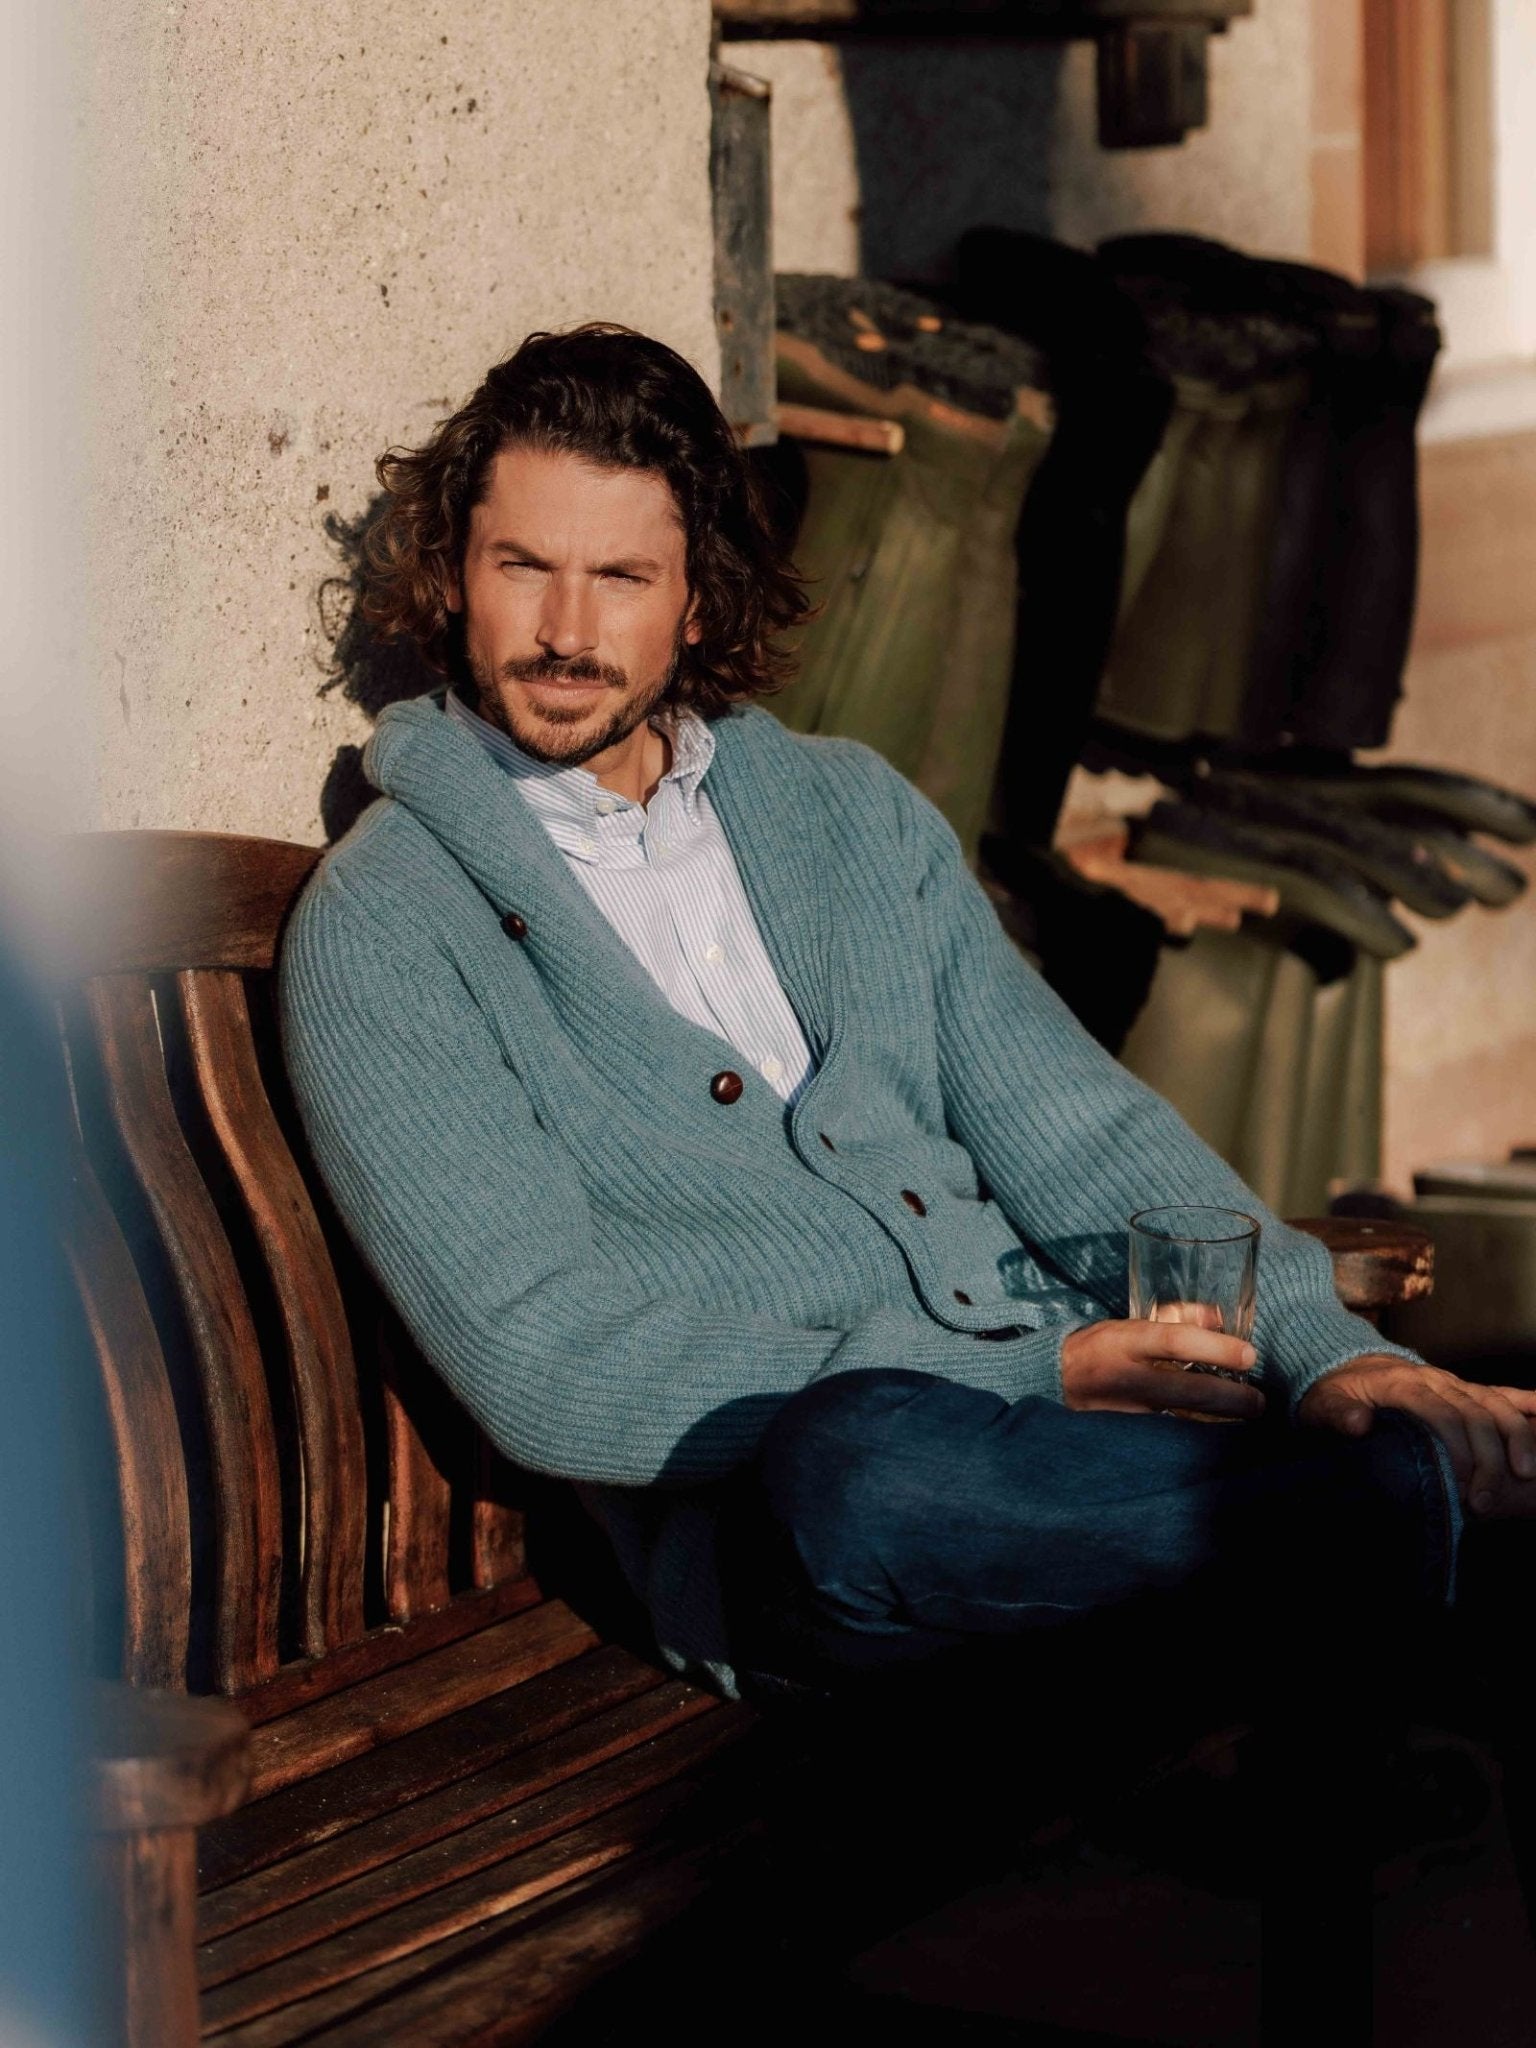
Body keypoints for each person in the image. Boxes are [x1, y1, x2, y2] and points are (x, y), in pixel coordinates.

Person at [280, 324, 1536, 1705]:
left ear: (699, 597)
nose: (568, 633)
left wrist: (1332, 1354)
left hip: (1083, 1456)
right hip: (805, 1515)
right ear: (455, 577)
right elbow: (546, 1361)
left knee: (1354, 1447)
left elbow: (1082, 1132)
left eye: (621, 577)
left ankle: (1386, 1505)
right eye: (523, 568)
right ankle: (1410, 1519)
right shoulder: (387, 926)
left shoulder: (850, 814)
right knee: (865, 1463)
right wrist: (1026, 1374)